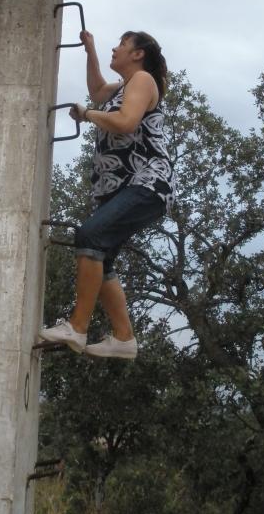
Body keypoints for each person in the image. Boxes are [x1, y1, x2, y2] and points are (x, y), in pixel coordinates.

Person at [39, 29, 175, 359]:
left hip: (147, 182)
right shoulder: (123, 86)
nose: (116, 49)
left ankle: (77, 327)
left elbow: (126, 122)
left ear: (138, 54)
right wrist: (90, 50)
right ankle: (124, 338)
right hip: (122, 187)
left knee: (90, 235)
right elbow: (98, 90)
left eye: (122, 45)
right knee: (103, 258)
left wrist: (87, 114)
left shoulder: (142, 80)